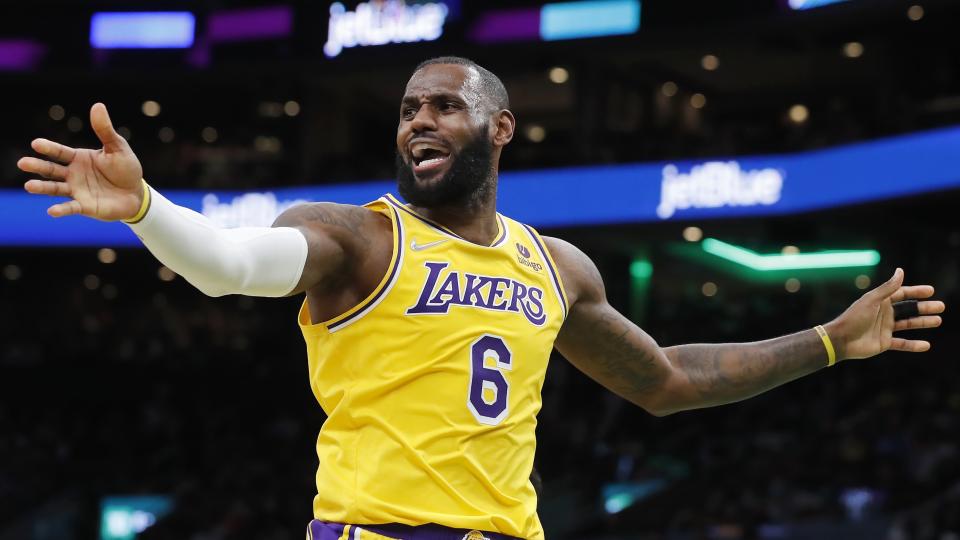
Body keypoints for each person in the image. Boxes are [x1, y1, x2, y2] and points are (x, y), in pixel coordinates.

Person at [18, 56, 945, 540]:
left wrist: (829, 340)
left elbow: (665, 379)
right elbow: (224, 263)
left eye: (443, 106)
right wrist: (146, 208)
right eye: (408, 110)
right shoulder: (358, 237)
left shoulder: (556, 268)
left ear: (500, 128)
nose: (418, 120)